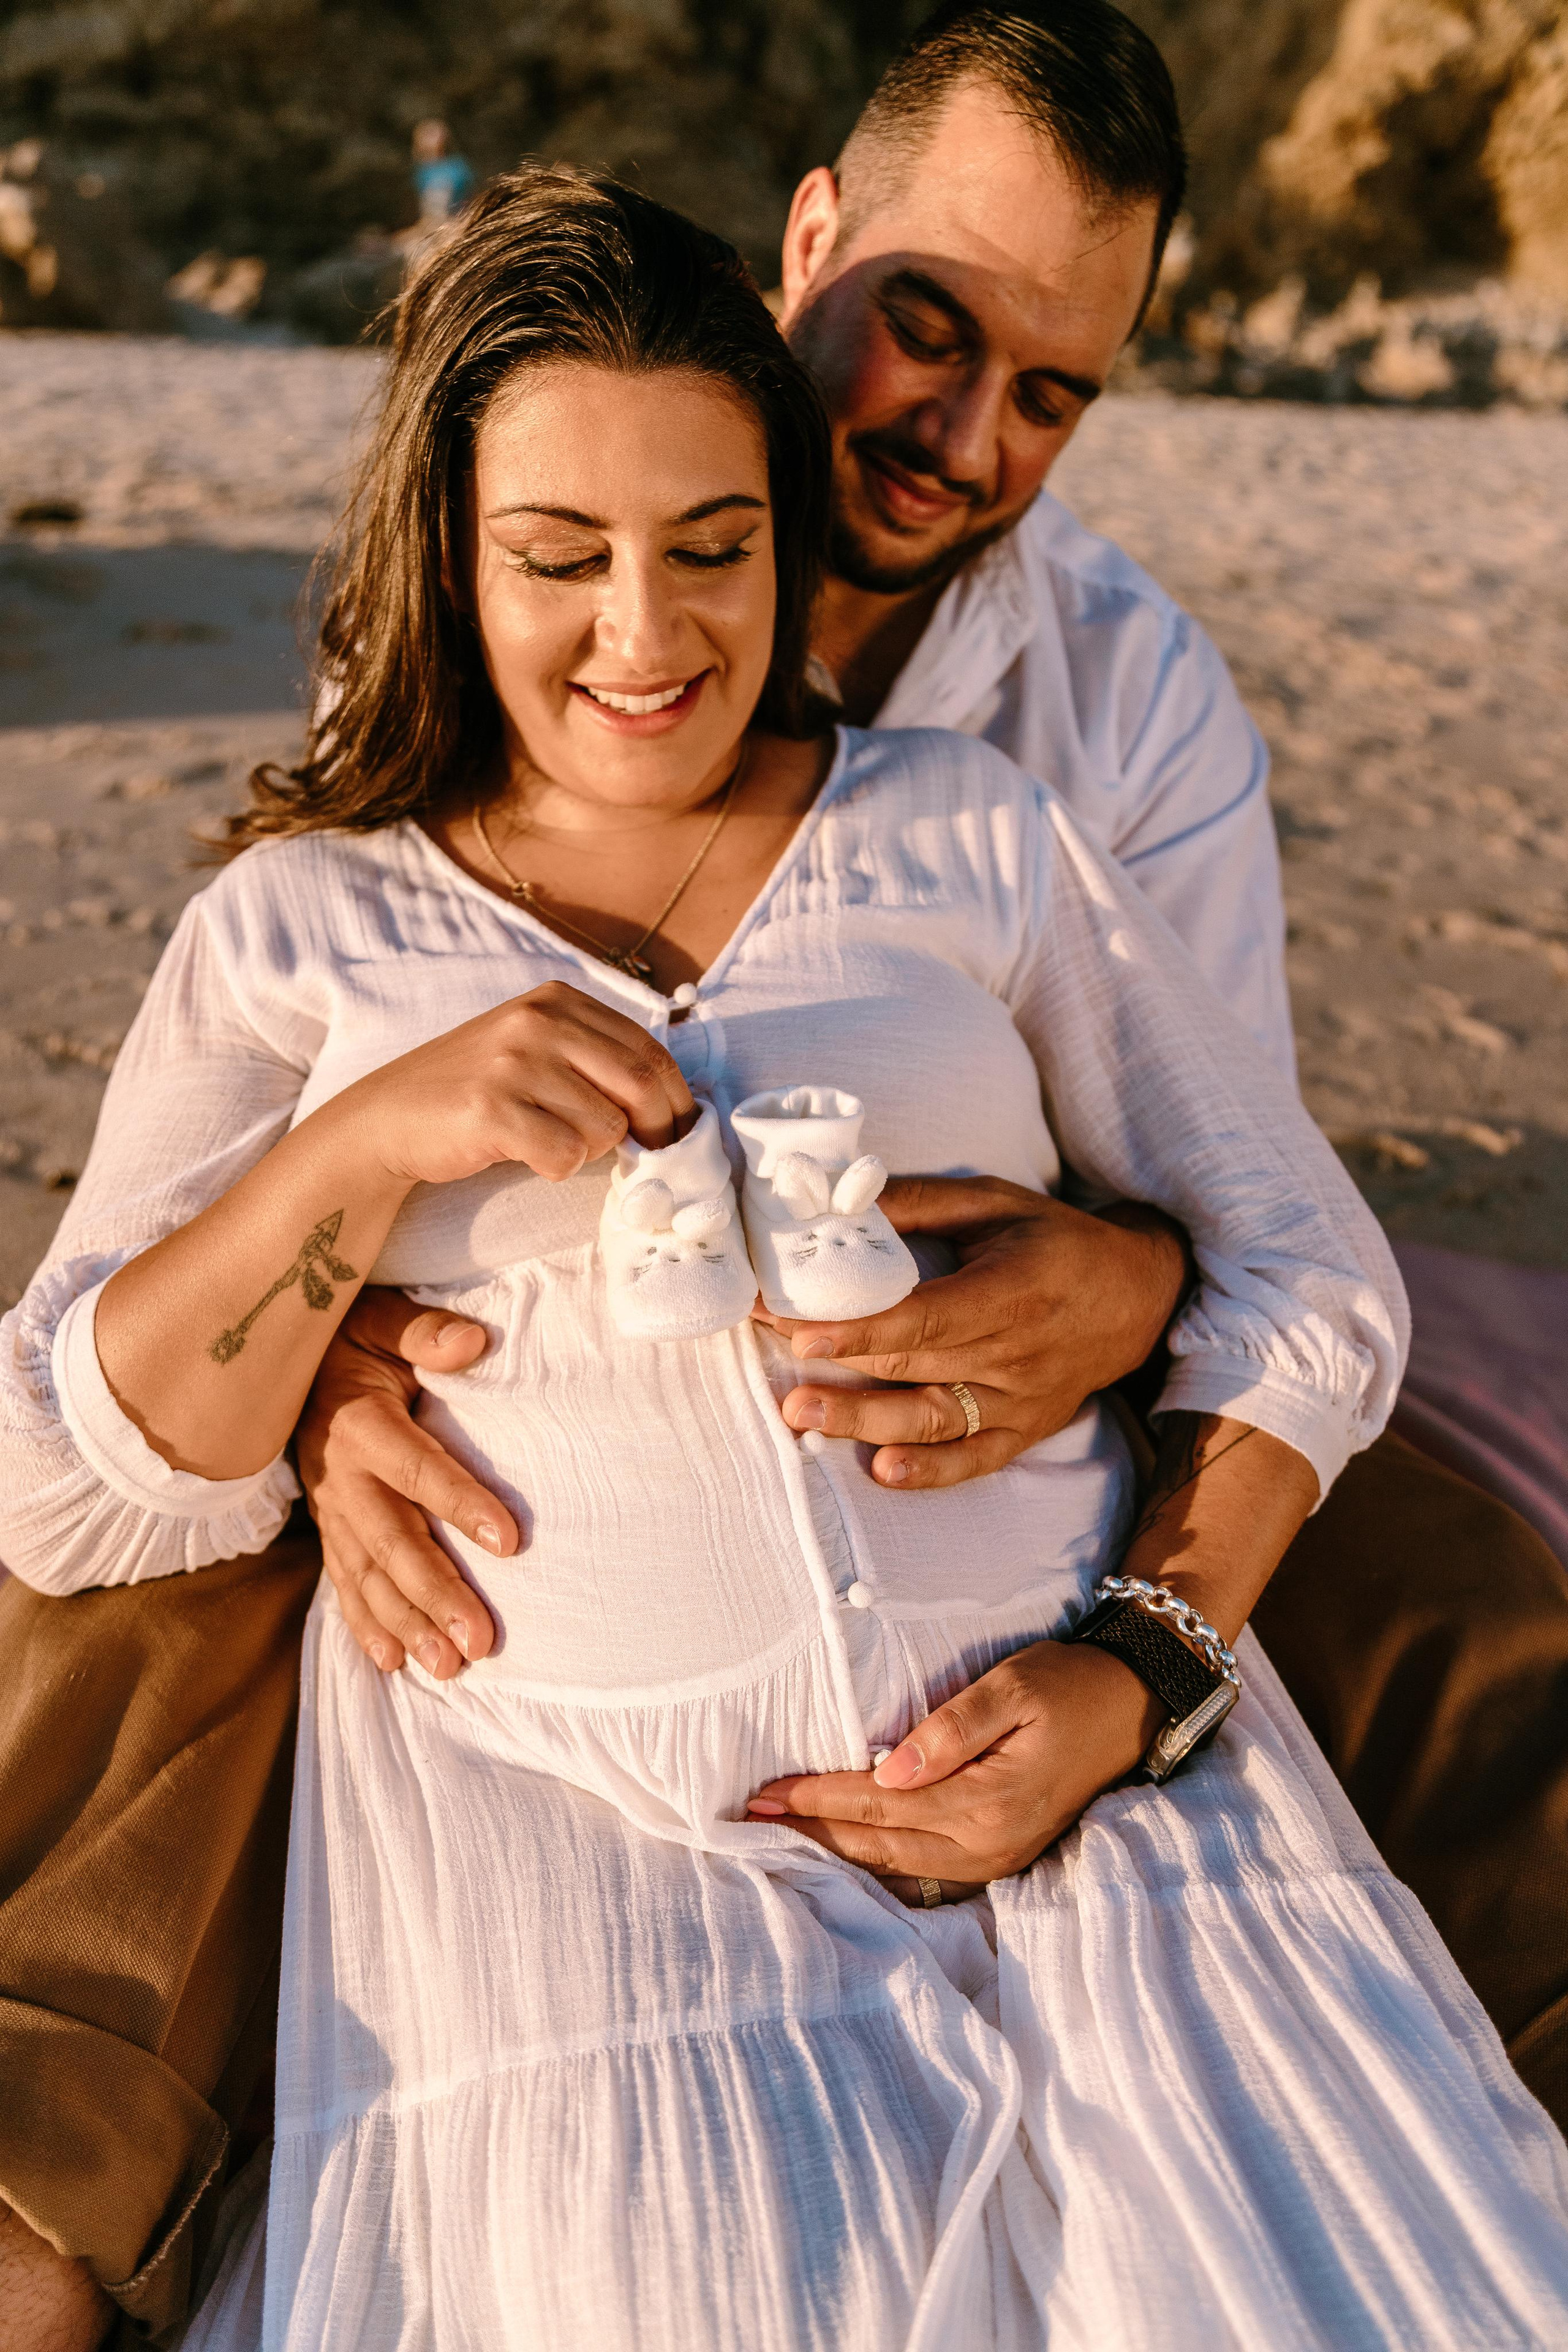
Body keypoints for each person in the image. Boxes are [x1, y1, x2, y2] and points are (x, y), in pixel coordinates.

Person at [4, 5, 1567, 2343]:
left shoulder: (1078, 744)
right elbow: (307, 1030)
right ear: (805, 245)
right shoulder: (375, 830)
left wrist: (1139, 1523)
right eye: (926, 329)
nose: (963, 435)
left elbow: (1249, 1222)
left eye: (1049, 390)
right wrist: (324, 1302)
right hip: (545, 1732)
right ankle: (59, 2191)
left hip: (1032, 1528)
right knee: (131, 1644)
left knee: (1456, 1646)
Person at [409, 118, 474, 230]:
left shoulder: (457, 167)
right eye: (428, 135)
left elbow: (471, 196)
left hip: (456, 222)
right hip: (428, 225)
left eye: (435, 135)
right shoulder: (420, 171)